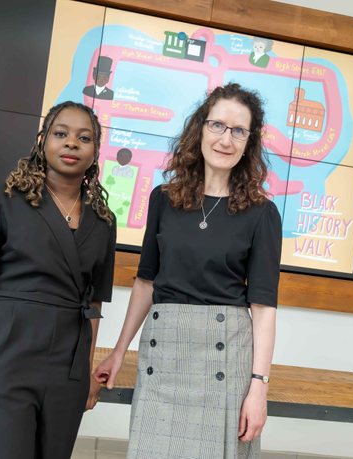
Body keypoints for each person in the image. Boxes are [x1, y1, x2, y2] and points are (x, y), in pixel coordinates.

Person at [95, 83, 282, 459]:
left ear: (249, 142)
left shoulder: (262, 213)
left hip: (226, 358)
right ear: (200, 128)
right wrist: (118, 351)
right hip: (163, 356)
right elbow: (146, 281)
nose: (225, 139)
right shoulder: (163, 198)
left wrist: (259, 388)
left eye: (238, 131)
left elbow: (263, 307)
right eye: (217, 126)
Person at [0, 101, 117, 459]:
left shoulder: (103, 221)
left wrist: (85, 376)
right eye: (61, 133)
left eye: (84, 137)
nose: (72, 143)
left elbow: (94, 304)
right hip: (1, 364)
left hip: (67, 372)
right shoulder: (1, 200)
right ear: (42, 140)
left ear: (95, 151)